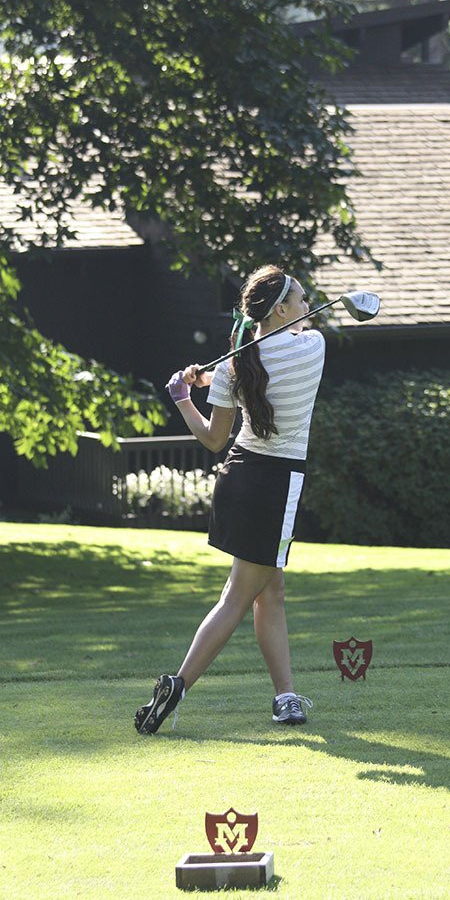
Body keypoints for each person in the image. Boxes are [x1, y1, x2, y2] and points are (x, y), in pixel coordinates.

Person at [134, 265, 325, 734]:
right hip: (277, 486)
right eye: (300, 299)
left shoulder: (233, 368)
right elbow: (301, 333)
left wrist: (185, 395)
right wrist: (218, 375)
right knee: (239, 597)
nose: (307, 306)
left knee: (270, 592)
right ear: (280, 308)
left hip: (238, 480)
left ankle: (286, 697)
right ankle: (176, 686)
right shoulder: (312, 349)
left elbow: (214, 439)